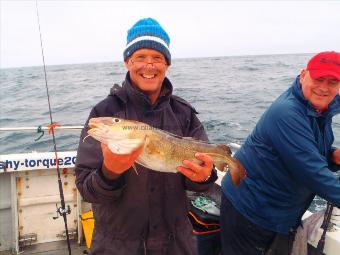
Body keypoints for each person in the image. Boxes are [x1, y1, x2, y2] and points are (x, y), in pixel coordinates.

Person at [75, 17, 217, 255]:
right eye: (140, 57)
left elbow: (203, 179)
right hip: (117, 246)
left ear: (167, 64)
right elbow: (87, 189)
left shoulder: (184, 114)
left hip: (177, 244)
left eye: (157, 58)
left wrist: (203, 177)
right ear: (127, 62)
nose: (149, 65)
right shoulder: (104, 113)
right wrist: (110, 172)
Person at [220, 51, 340, 255]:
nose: (323, 87)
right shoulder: (287, 112)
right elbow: (314, 174)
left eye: (332, 82)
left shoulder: (318, 108)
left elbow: (304, 151)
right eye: (318, 79)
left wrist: (333, 156)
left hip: (279, 210)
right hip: (252, 209)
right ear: (303, 75)